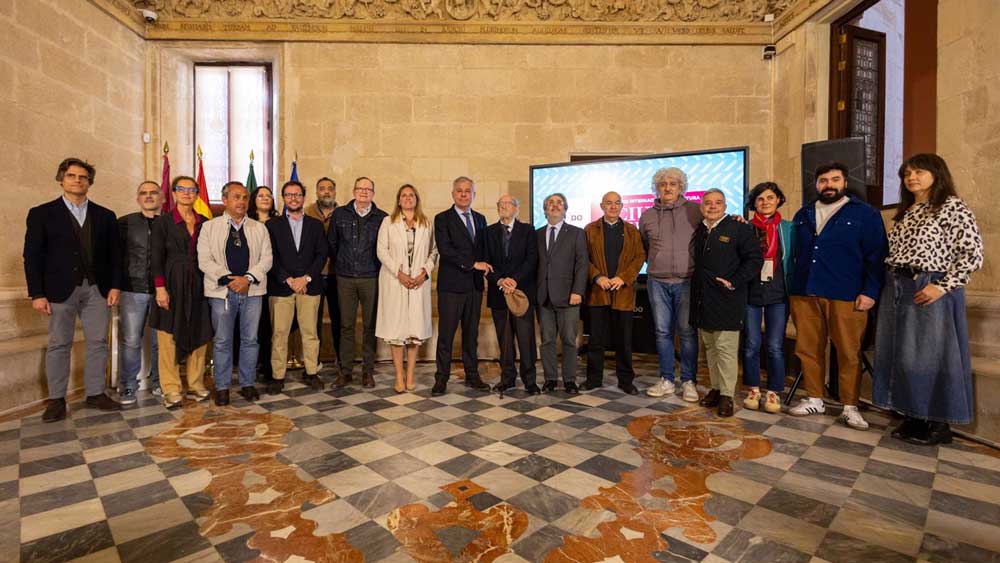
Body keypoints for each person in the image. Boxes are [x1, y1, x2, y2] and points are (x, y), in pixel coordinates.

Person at [873, 154, 983, 445]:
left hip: (929, 284)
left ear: (937, 174)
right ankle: (913, 414)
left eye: (919, 172)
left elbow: (972, 255)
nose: (911, 178)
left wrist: (942, 286)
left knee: (932, 354)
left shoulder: (951, 207)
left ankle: (937, 423)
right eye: (907, 173)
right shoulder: (908, 211)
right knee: (902, 353)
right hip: (897, 284)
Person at [787, 162, 888, 430]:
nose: (828, 184)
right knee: (808, 349)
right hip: (805, 292)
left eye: (834, 179)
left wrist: (870, 291)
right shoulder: (803, 214)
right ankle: (814, 398)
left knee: (848, 351)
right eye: (823, 180)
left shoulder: (865, 214)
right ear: (816, 184)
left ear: (845, 182)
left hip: (846, 293)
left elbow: (877, 257)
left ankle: (850, 406)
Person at [24, 158, 123, 421]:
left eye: (82, 177)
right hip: (58, 290)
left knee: (98, 342)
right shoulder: (41, 213)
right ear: (61, 180)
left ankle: (95, 393)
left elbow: (115, 256)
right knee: (59, 343)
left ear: (89, 182)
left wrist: (115, 285)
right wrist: (37, 293)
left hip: (97, 289)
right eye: (71, 176)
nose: (77, 180)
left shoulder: (105, 215)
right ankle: (56, 399)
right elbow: (32, 256)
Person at [198, 181, 273, 406]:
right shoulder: (209, 227)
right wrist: (229, 279)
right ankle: (222, 387)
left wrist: (248, 278)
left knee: (250, 340)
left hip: (253, 291)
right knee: (222, 341)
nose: (241, 201)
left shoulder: (259, 228)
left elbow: (267, 259)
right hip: (221, 291)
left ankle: (247, 383)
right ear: (225, 200)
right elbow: (204, 260)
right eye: (236, 197)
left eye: (244, 197)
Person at [691, 189, 763, 417]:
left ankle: (727, 396)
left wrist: (734, 281)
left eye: (718, 203)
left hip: (727, 298)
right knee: (710, 348)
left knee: (726, 349)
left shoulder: (739, 228)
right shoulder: (701, 229)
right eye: (708, 203)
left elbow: (754, 260)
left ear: (725, 205)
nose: (712, 206)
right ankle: (715, 388)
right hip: (703, 299)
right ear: (702, 206)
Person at [150, 176, 214, 409]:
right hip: (171, 283)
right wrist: (160, 288)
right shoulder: (163, 222)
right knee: (168, 336)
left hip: (198, 283)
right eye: (181, 189)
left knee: (199, 332)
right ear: (173, 193)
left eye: (192, 189)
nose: (187, 193)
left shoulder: (205, 222)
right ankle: (171, 388)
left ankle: (196, 384)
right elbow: (156, 257)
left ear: (197, 194)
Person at [639, 167, 701, 403]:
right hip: (657, 282)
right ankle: (666, 379)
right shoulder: (647, 216)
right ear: (656, 187)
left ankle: (688, 381)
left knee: (686, 332)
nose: (667, 188)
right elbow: (645, 247)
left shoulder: (695, 211)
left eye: (673, 184)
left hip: (687, 281)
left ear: (681, 187)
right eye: (662, 184)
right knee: (663, 332)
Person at [432, 176, 492, 396]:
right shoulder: (442, 219)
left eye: (468, 191)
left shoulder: (481, 219)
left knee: (471, 334)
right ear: (453, 194)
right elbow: (446, 250)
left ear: (474, 195)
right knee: (446, 335)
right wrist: (473, 264)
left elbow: (485, 249)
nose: (464, 194)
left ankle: (472, 375)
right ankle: (441, 378)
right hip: (451, 287)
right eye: (459, 191)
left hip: (475, 287)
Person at [267, 180, 328, 394]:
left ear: (303, 197)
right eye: (289, 195)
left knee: (310, 333)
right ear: (283, 198)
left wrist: (306, 278)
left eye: (298, 194)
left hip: (309, 288)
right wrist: (289, 280)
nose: (294, 198)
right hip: (281, 288)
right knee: (279, 333)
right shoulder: (272, 225)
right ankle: (277, 376)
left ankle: (311, 372)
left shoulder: (315, 225)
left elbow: (322, 254)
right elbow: (270, 256)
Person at [375, 184, 438, 393]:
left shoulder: (426, 223)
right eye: (404, 195)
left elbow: (434, 252)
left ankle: (410, 375)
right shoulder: (388, 222)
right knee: (397, 331)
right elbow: (381, 251)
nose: (408, 198)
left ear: (416, 199)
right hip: (395, 281)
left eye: (411, 195)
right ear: (398, 200)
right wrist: (399, 273)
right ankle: (399, 377)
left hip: (419, 282)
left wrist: (424, 273)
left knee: (414, 332)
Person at [583, 191, 646, 395]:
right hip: (597, 292)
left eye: (617, 203)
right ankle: (593, 379)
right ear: (602, 206)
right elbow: (583, 259)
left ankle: (626, 380)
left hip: (623, 292)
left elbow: (639, 257)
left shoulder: (632, 230)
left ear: (621, 206)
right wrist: (598, 277)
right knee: (595, 340)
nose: (612, 206)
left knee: (624, 340)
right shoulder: (590, 230)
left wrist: (623, 278)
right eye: (608, 203)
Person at [742, 182, 795, 414]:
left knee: (774, 345)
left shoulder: (789, 228)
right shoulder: (744, 228)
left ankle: (774, 390)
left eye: (770, 198)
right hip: (750, 292)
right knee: (752, 344)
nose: (765, 202)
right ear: (754, 203)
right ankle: (753, 388)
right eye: (760, 199)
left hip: (778, 292)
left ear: (778, 200)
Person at [329, 177, 387, 388]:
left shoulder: (382, 218)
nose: (364, 192)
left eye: (368, 189)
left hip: (371, 277)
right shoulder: (340, 214)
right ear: (354, 191)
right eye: (360, 188)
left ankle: (367, 371)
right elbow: (332, 245)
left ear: (373, 193)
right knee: (346, 325)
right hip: (345, 277)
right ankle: (345, 371)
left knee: (370, 326)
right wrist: (344, 264)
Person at [484, 194, 540, 395]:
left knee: (526, 341)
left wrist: (514, 280)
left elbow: (531, 260)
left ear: (516, 208)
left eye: (508, 203)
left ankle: (530, 381)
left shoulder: (528, 230)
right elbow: (485, 262)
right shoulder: (488, 232)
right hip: (499, 295)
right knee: (505, 341)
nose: (504, 207)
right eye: (500, 204)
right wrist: (500, 280)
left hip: (521, 294)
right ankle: (507, 378)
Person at [536, 193, 588, 394]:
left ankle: (569, 380)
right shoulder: (538, 234)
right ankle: (550, 379)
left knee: (568, 339)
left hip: (569, 296)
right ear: (545, 209)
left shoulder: (576, 233)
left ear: (565, 209)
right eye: (551, 203)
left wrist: (577, 291)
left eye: (559, 203)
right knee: (547, 340)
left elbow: (582, 265)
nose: (555, 206)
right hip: (544, 297)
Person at [117, 181, 162, 405]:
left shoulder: (169, 224)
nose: (148, 196)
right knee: (132, 340)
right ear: (138, 198)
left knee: (159, 341)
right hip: (131, 290)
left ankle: (160, 382)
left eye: (153, 192)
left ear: (161, 197)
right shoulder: (125, 223)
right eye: (143, 193)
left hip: (162, 291)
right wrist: (115, 286)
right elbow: (115, 258)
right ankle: (128, 386)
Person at [305, 177, 342, 363]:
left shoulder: (343, 213)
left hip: (337, 275)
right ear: (316, 192)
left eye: (329, 189)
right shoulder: (307, 213)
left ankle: (341, 360)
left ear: (335, 192)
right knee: (313, 322)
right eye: (322, 189)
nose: (326, 192)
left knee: (339, 320)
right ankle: (314, 362)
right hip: (314, 275)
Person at [249, 186, 279, 382]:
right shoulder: (248, 223)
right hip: (253, 281)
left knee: (271, 326)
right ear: (254, 200)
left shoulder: (279, 223)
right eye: (261, 195)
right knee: (255, 327)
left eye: (269, 195)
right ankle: (254, 364)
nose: (265, 198)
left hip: (276, 279)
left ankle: (269, 365)